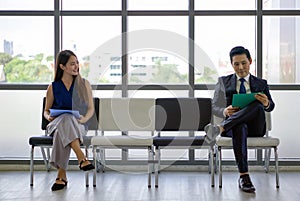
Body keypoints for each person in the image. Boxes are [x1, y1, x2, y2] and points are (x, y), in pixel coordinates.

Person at [205, 46, 275, 193]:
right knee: (240, 126)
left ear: (250, 61)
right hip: (235, 128)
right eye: (236, 64)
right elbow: (213, 106)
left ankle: (219, 128)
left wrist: (266, 103)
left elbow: (271, 106)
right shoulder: (223, 82)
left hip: (256, 127)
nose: (241, 67)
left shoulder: (261, 84)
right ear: (232, 64)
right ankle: (244, 177)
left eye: (244, 63)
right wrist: (224, 110)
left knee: (257, 104)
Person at [44, 50, 95, 191]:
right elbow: (46, 110)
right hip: (55, 125)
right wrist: (48, 117)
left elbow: (91, 108)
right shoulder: (53, 87)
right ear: (62, 67)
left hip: (78, 125)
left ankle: (61, 175)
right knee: (65, 120)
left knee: (67, 124)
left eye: (77, 63)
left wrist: (85, 118)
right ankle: (81, 157)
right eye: (72, 64)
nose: (76, 66)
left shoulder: (84, 84)